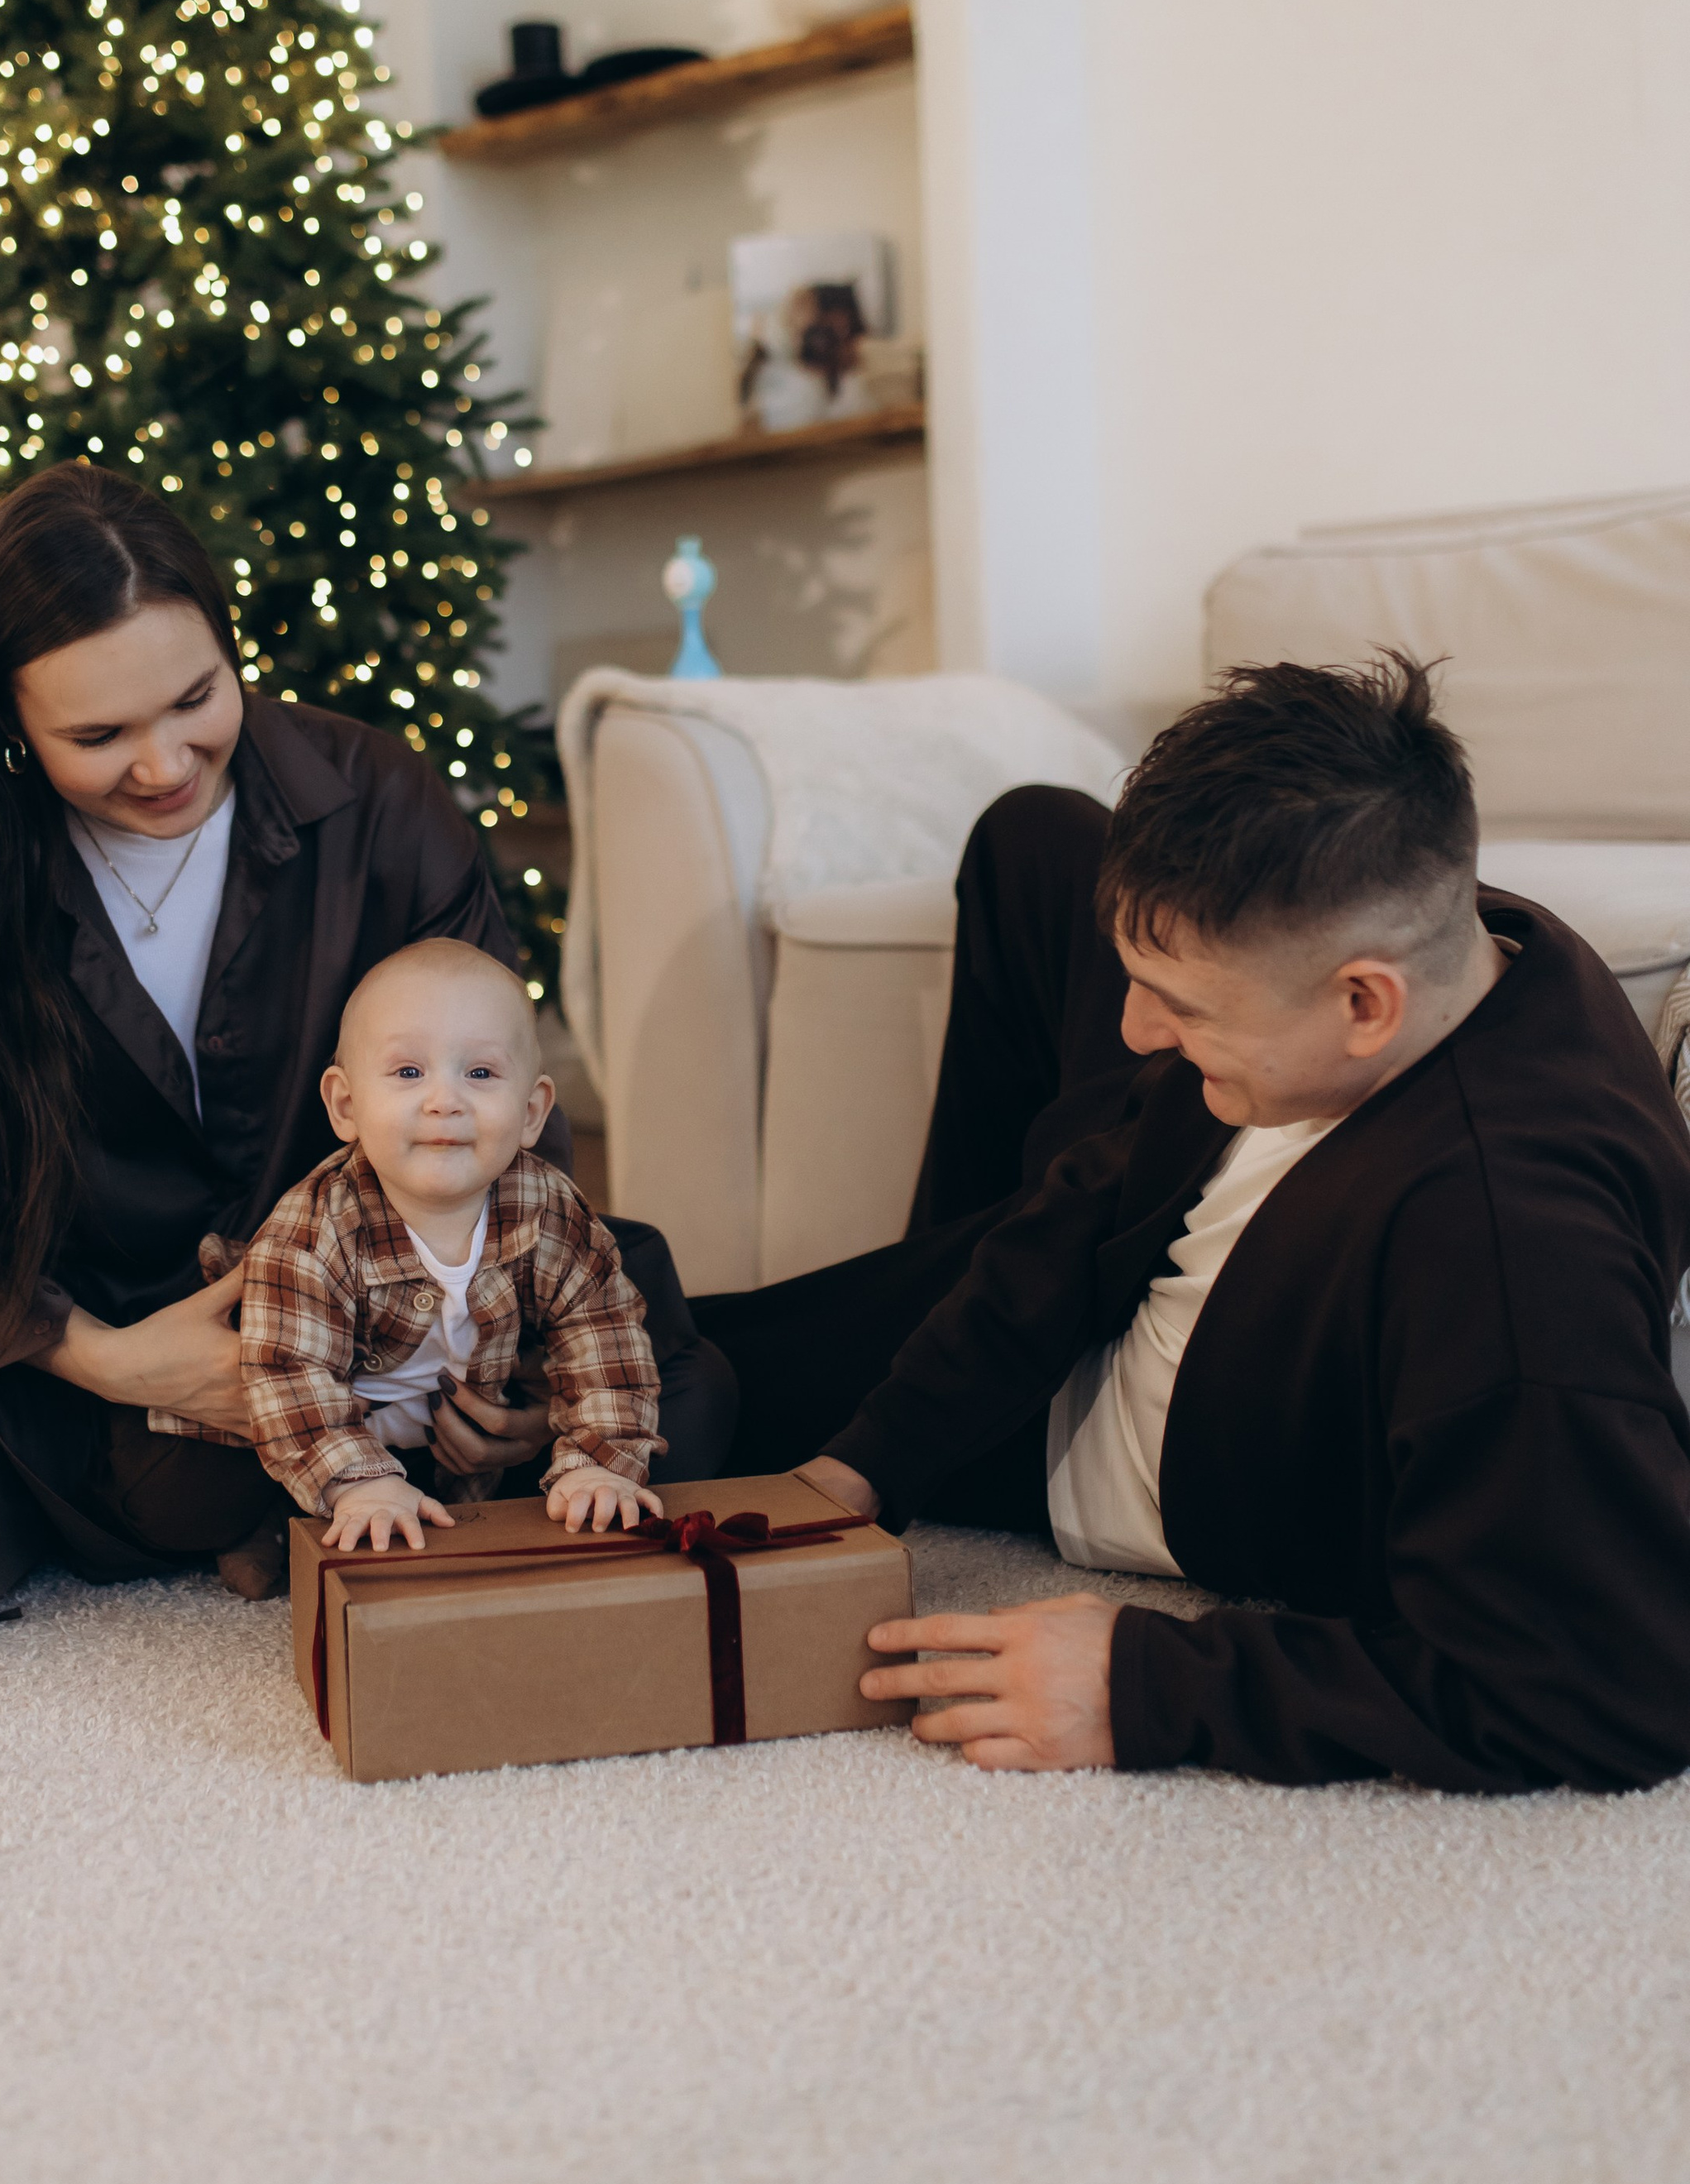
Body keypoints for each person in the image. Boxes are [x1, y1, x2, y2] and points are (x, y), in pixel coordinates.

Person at [0, 464, 732, 1650]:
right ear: (6, 722)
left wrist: (513, 1389)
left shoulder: (378, 803)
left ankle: (241, 1500)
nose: (164, 763)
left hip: (373, 1336)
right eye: (97, 734)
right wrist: (120, 1365)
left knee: (677, 1402)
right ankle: (181, 1497)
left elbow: (494, 1117)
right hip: (69, 1360)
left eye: (196, 698)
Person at [696, 656, 1690, 1794]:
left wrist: (1142, 1682)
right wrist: (879, 1454)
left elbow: (1604, 1685)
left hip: (1102, 1401)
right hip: (1148, 1225)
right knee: (1034, 841)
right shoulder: (1477, 947)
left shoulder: (1507, 1257)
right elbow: (1092, 1184)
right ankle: (966, 1244)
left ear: (1365, 1004)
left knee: (670, 1364)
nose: (1135, 1028)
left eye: (1181, 1002)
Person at [160, 937, 663, 1558]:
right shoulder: (316, 1227)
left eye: (479, 1073)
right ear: (346, 1105)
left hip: (449, 1436)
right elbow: (289, 1370)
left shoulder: (551, 1208)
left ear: (532, 1112)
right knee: (184, 1503)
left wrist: (598, 1460)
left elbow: (602, 1331)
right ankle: (280, 1528)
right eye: (408, 1072)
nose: (444, 1100)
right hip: (311, 1424)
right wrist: (358, 1482)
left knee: (680, 1404)